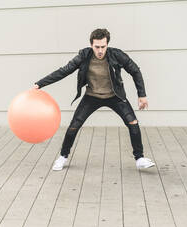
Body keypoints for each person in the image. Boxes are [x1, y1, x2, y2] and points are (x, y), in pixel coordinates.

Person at [33, 28, 155, 171]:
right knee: (74, 126)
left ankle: (139, 158)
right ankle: (62, 157)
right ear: (91, 45)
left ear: (107, 45)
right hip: (92, 97)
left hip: (115, 96)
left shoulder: (116, 55)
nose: (100, 50)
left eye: (103, 46)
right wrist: (40, 84)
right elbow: (64, 71)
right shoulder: (84, 56)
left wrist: (142, 95)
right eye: (97, 47)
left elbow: (135, 70)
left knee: (133, 123)